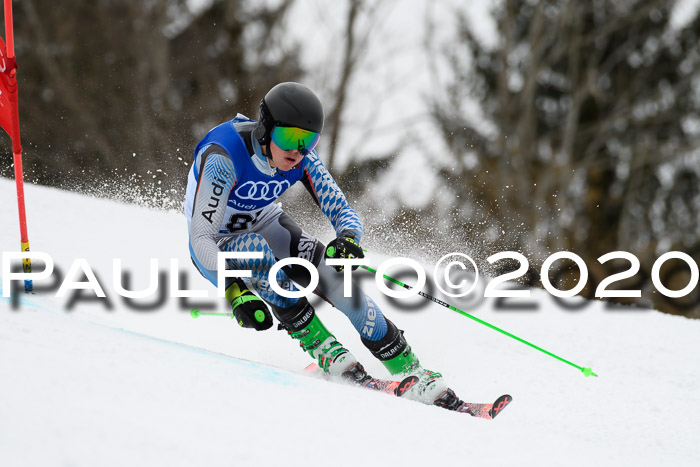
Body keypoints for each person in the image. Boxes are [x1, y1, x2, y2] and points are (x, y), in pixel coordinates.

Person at [185, 82, 461, 408]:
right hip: (216, 243)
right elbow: (200, 238)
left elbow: (343, 212)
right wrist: (234, 290)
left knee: (335, 279)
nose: (298, 151)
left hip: (267, 222)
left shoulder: (303, 159)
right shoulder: (224, 157)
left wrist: (347, 240)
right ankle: (324, 349)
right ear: (265, 129)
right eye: (289, 138)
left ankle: (411, 371)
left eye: (309, 141)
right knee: (256, 250)